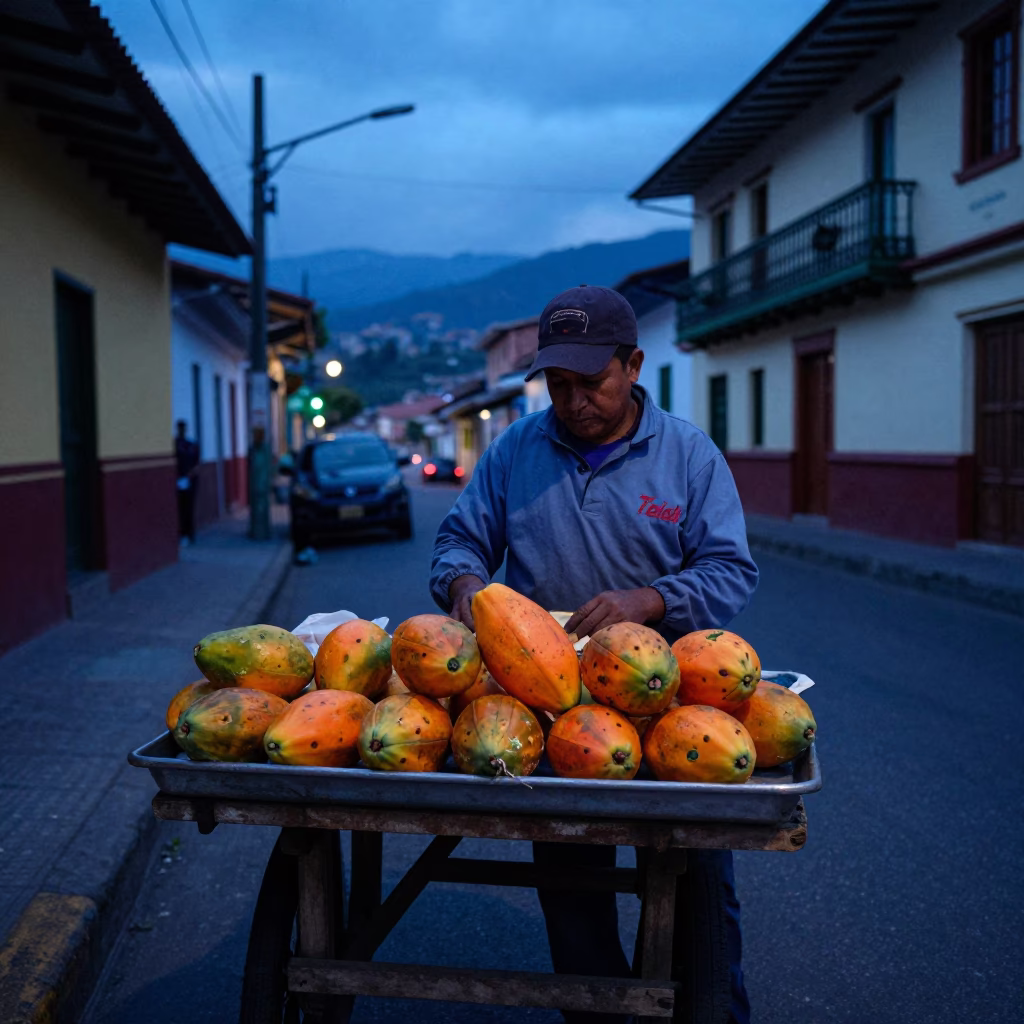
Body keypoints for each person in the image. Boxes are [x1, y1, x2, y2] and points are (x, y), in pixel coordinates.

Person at [429, 284, 758, 1024]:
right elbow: (458, 541)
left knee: (696, 876)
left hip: (665, 701)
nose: (574, 401)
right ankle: (599, 1012)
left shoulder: (689, 457)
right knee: (571, 879)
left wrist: (651, 600)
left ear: (634, 364)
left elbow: (732, 571)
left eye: (593, 381)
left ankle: (707, 1009)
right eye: (559, 384)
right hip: (550, 707)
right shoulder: (516, 450)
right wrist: (469, 588)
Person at [174, 419, 200, 545]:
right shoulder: (175, 445)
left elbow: (197, 464)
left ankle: (189, 534)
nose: (182, 430)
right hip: (178, 480)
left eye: (183, 428)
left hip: (190, 481)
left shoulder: (191, 445)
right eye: (180, 428)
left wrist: (189, 475)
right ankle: (182, 534)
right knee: (180, 509)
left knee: (189, 508)